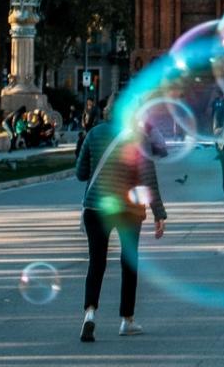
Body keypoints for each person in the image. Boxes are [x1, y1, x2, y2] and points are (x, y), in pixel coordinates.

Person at [76, 115, 167, 342]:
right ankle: (127, 320)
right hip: (128, 210)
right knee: (129, 263)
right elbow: (148, 179)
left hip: (96, 207)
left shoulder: (94, 134)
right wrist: (159, 213)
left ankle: (90, 314)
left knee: (96, 263)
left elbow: (81, 173)